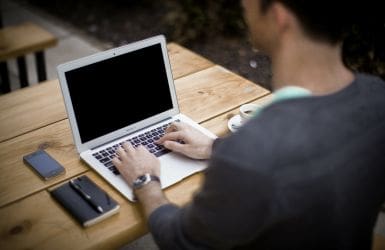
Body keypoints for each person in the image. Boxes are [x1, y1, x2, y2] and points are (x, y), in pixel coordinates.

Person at [112, 0, 385, 249]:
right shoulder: (377, 98)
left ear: (279, 16)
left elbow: (179, 241)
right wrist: (215, 147)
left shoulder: (253, 152)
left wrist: (145, 180)